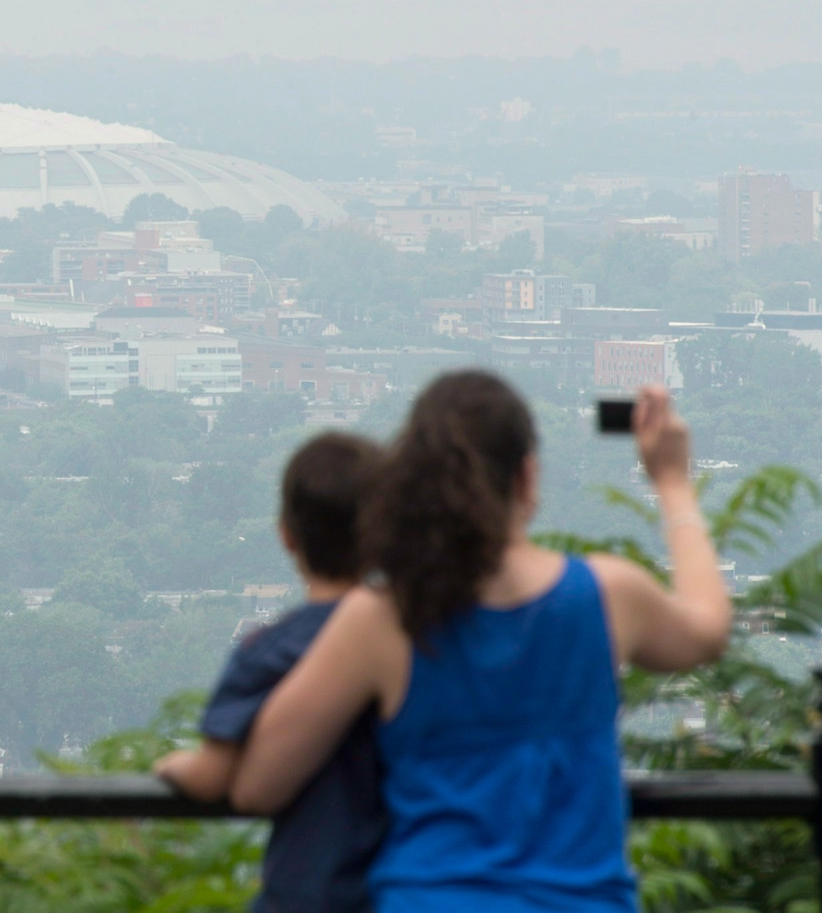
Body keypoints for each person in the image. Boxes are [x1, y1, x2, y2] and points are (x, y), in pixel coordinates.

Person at [228, 372, 732, 912]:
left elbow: (259, 784)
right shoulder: (606, 596)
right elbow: (707, 629)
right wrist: (672, 482)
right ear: (526, 479)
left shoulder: (382, 621)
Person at [155, 431, 387, 913]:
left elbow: (212, 776)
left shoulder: (269, 651)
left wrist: (168, 766)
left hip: (307, 892)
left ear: (286, 534)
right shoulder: (414, 643)